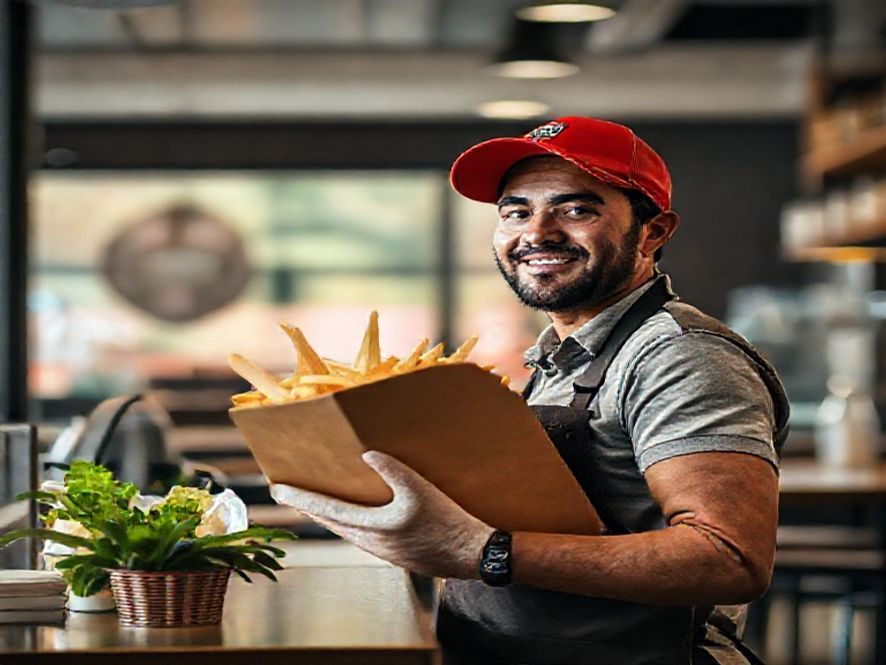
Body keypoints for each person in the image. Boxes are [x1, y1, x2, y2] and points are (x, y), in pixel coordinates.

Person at [271, 116, 790, 665]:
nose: (537, 232)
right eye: (516, 211)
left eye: (576, 209)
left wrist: (484, 551)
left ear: (653, 232)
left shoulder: (680, 356)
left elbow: (728, 558)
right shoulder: (559, 355)